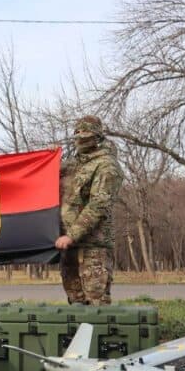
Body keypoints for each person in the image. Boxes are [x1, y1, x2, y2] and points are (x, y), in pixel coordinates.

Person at [56, 115, 123, 305]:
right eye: (78, 137)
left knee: (96, 303)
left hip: (93, 246)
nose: (81, 141)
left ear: (98, 137)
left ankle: (97, 336)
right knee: (75, 301)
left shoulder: (107, 166)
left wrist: (72, 235)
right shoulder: (74, 165)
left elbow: (99, 205)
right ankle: (77, 335)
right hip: (68, 246)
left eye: (86, 137)